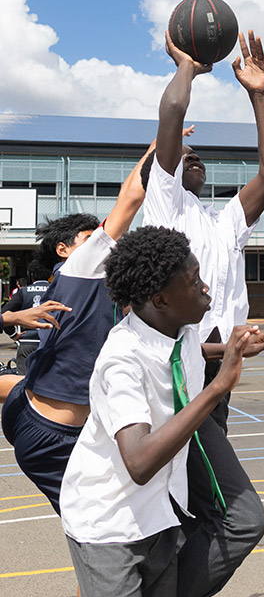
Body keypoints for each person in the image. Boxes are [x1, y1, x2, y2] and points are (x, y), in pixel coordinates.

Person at [60, 224, 264, 597]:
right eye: (194, 280)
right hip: (111, 525)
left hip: (159, 517)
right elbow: (140, 462)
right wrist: (217, 388)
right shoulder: (121, 360)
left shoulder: (178, 325)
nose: (205, 286)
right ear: (160, 299)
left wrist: (230, 348)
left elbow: (184, 350)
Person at [141, 28, 264, 430]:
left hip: (220, 367)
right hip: (179, 368)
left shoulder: (222, 223)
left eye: (198, 155)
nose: (194, 157)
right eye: (184, 157)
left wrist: (259, 95)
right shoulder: (166, 203)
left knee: (198, 483)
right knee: (200, 480)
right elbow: (172, 113)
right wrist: (187, 66)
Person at [1, 142, 154, 515]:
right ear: (64, 250)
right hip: (53, 435)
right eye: (91, 238)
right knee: (104, 530)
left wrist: (7, 318)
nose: (105, 241)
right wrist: (159, 143)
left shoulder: (99, 287)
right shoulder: (81, 268)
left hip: (35, 405)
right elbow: (131, 197)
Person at [2, 259, 51, 374]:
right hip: (50, 341)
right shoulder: (57, 290)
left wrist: (13, 334)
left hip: (28, 341)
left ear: (32, 276)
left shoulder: (24, 292)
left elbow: (5, 314)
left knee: (23, 381)